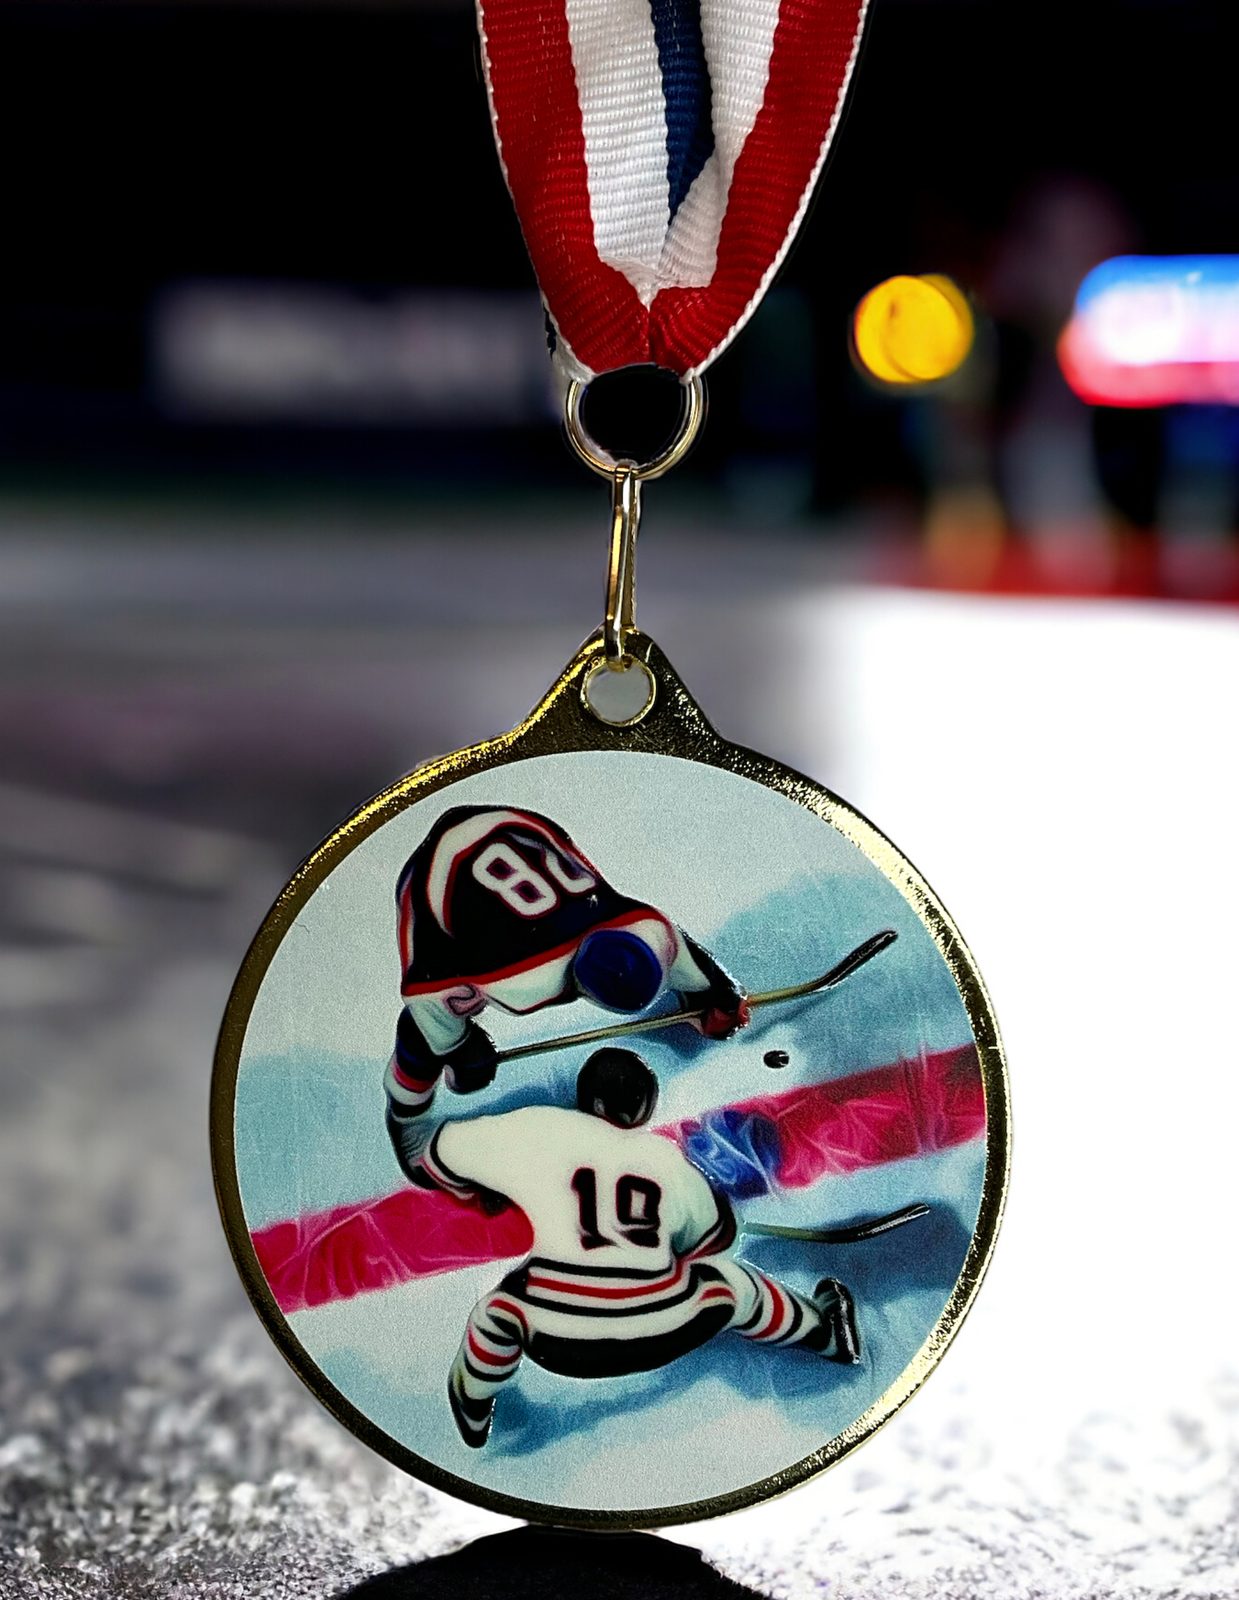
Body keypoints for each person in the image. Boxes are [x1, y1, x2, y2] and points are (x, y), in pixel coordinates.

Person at [388, 1046, 861, 1448]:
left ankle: (472, 1403)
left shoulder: (536, 1127)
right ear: (644, 1112)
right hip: (668, 1326)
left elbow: (432, 1153)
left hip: (558, 1339)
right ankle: (824, 1333)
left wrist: (476, 1184)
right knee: (735, 1287)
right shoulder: (666, 1159)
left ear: (588, 1100)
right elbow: (713, 1242)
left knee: (497, 1314)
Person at [384, 804, 749, 1124]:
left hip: (520, 830)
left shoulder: (646, 929)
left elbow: (681, 951)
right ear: (579, 984)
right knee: (427, 1031)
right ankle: (407, 1109)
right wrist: (455, 1045)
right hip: (435, 876)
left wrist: (717, 993)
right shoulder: (521, 977)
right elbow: (426, 993)